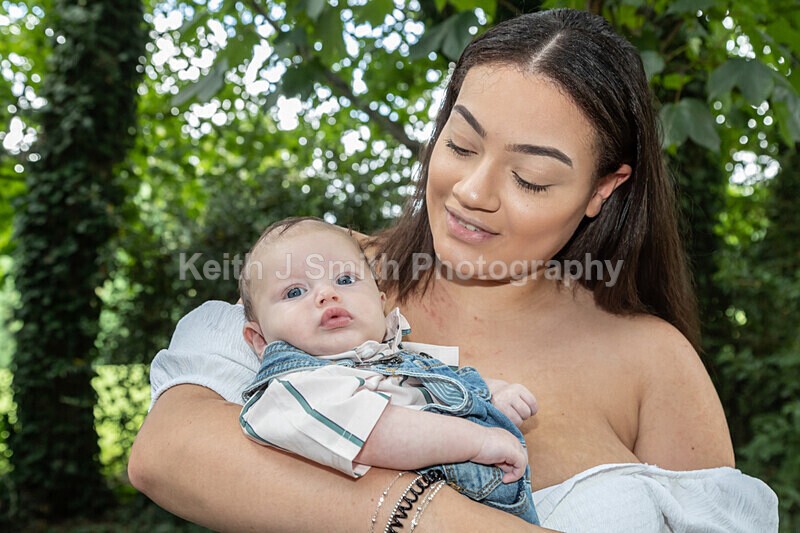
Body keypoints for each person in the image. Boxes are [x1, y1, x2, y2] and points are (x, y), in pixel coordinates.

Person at [129, 8, 779, 532]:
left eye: (531, 177)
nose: (473, 190)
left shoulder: (653, 361)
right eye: (461, 143)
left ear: (602, 190)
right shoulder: (323, 280)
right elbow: (169, 452)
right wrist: (430, 513)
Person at [237, 216, 540, 525]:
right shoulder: (293, 390)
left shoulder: (401, 358)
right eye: (294, 292)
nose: (326, 294)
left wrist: (492, 394)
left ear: (380, 303)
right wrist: (479, 441)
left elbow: (449, 386)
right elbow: (376, 432)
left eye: (344, 280)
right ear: (259, 339)